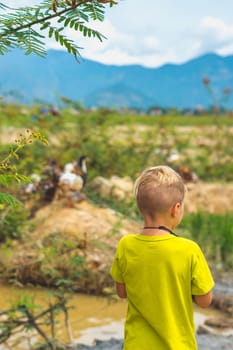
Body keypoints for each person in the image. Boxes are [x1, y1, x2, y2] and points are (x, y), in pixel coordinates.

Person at [110, 165, 215, 350]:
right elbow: (205, 301)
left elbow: (122, 292)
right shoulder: (189, 250)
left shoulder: (126, 245)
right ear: (176, 209)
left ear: (140, 208)